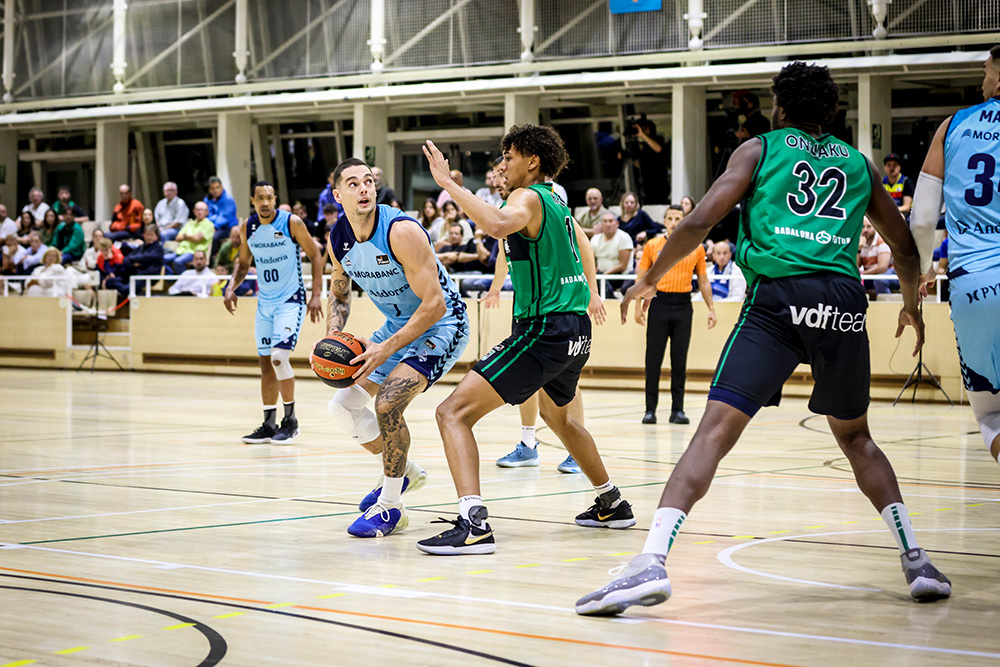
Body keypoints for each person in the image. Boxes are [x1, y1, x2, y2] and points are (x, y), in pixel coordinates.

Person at [576, 62, 950, 617]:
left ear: (781, 106)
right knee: (857, 439)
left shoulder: (759, 148)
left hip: (779, 298)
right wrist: (913, 307)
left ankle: (651, 561)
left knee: (713, 433)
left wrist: (650, 278)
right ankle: (917, 561)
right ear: (829, 111)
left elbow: (700, 221)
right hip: (842, 303)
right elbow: (902, 244)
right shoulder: (859, 163)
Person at [419, 125, 635, 555]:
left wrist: (448, 185)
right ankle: (612, 502)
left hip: (544, 329)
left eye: (510, 157)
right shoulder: (557, 201)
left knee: (452, 413)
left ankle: (474, 525)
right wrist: (590, 292)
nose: (504, 165)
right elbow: (583, 245)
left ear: (532, 161)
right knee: (562, 420)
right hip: (575, 329)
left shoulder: (529, 197)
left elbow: (497, 224)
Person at [322, 157, 469, 538]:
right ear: (337, 195)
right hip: (397, 326)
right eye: (353, 184)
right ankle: (406, 472)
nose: (363, 188)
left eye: (368, 181)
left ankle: (391, 507)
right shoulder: (338, 239)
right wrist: (331, 337)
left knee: (387, 404)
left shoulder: (401, 231)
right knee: (343, 405)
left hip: (443, 324)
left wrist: (385, 348)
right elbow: (339, 292)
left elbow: (435, 304)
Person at [910, 44, 1000, 465]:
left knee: (991, 415)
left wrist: (925, 268)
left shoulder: (954, 125)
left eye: (986, 71)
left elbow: (922, 220)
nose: (983, 80)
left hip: (974, 286)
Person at [481, 159, 583, 474]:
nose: (498, 179)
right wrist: (495, 289)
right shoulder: (508, 208)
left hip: (557, 306)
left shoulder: (543, 199)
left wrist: (591, 292)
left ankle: (576, 451)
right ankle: (528, 445)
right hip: (528, 305)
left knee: (566, 380)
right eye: (495, 175)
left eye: (503, 172)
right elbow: (505, 253)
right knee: (529, 378)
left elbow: (582, 245)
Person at [224, 182, 323, 445]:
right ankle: (269, 424)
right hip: (265, 303)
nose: (265, 203)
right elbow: (243, 265)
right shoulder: (248, 227)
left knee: (279, 357)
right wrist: (230, 287)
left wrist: (315, 295)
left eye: (269, 198)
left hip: (290, 300)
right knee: (265, 363)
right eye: (260, 198)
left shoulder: (291, 223)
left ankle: (290, 422)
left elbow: (316, 255)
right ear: (253, 201)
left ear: (275, 199)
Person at [637, 205, 716, 425]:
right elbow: (641, 278)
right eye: (670, 218)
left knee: (679, 361)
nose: (673, 222)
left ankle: (678, 410)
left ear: (684, 221)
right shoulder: (652, 245)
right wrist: (637, 307)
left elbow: (703, 281)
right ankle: (650, 410)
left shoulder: (696, 247)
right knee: (653, 360)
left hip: (683, 306)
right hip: (659, 304)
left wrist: (711, 308)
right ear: (664, 222)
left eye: (678, 218)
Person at [104, 224, 164, 297]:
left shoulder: (158, 249)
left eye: (151, 235)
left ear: (157, 236)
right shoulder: (141, 247)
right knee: (109, 282)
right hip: (133, 275)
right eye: (147, 235)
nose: (149, 237)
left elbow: (145, 258)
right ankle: (137, 294)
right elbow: (125, 260)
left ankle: (138, 295)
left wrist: (134, 260)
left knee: (126, 289)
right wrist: (136, 262)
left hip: (146, 277)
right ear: (143, 235)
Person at [590, 212, 634, 298]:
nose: (608, 224)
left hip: (620, 276)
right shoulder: (595, 239)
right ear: (601, 224)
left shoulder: (624, 238)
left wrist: (603, 275)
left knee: (600, 281)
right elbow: (591, 259)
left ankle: (611, 301)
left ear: (617, 223)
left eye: (610, 221)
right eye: (605, 221)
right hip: (601, 275)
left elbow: (623, 265)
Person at [164, 201, 214, 274]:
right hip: (180, 251)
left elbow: (197, 239)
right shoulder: (190, 223)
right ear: (194, 211)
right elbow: (178, 238)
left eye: (202, 210)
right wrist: (191, 237)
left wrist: (186, 236)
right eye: (198, 210)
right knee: (163, 259)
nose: (200, 212)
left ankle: (186, 279)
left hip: (194, 253)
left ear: (207, 212)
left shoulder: (209, 224)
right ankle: (170, 278)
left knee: (178, 262)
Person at [858, 217, 894, 296]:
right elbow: (856, 266)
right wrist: (859, 249)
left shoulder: (882, 242)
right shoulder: (861, 242)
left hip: (890, 273)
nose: (865, 230)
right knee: (853, 280)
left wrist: (862, 273)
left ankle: (885, 303)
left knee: (880, 280)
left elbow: (882, 268)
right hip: (870, 275)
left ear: (875, 227)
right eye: (863, 227)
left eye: (869, 227)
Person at [206, 176, 239, 255]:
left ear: (222, 187)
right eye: (213, 188)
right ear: (210, 190)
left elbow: (224, 218)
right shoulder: (208, 199)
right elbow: (206, 214)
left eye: (217, 187)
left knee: (214, 236)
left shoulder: (228, 199)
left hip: (228, 228)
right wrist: (211, 223)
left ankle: (211, 259)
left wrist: (214, 225)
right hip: (213, 226)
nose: (215, 190)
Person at [882, 152, 914, 217]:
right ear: (885, 168)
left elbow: (906, 207)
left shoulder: (906, 182)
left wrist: (890, 211)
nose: (892, 168)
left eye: (895, 165)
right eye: (889, 165)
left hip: (903, 214)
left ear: (899, 167)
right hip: (887, 214)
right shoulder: (882, 182)